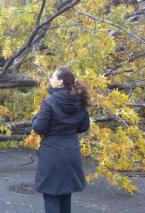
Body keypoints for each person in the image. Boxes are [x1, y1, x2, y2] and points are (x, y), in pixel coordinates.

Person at [32, 67, 91, 213]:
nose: (50, 79)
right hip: (71, 151)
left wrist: (34, 119)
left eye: (52, 77)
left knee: (51, 195)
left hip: (53, 154)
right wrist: (68, 131)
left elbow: (39, 128)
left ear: (60, 82)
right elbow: (84, 126)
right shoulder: (79, 99)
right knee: (65, 195)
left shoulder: (50, 101)